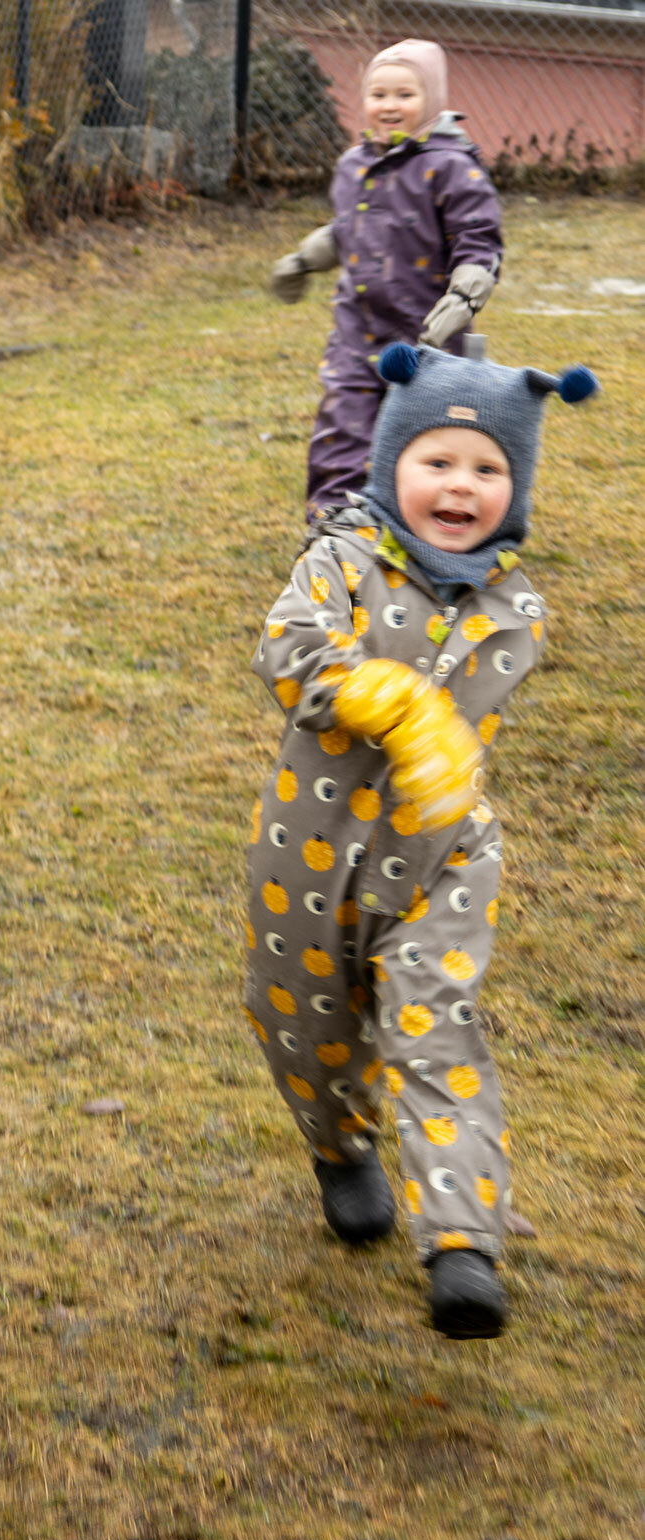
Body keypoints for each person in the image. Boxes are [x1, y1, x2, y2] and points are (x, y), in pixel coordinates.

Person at [243, 341, 594, 1340]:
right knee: (299, 1027)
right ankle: (339, 1144)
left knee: (436, 1027)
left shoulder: (514, 611)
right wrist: (387, 698)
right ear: (391, 461)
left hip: (438, 858)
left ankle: (461, 1241)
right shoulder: (338, 562)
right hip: (306, 853)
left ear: (514, 490)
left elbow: (468, 723)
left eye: (488, 470)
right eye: (437, 460)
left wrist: (440, 761)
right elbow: (285, 653)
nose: (460, 485)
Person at [269, 39, 504, 522]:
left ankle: (427, 522)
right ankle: (333, 524)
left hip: (427, 335)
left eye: (404, 95)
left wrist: (464, 295)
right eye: (378, 95)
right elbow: (346, 229)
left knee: (426, 435)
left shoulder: (452, 167)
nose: (390, 106)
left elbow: (478, 240)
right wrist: (302, 260)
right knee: (343, 425)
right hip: (357, 331)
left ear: (433, 99)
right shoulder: (353, 165)